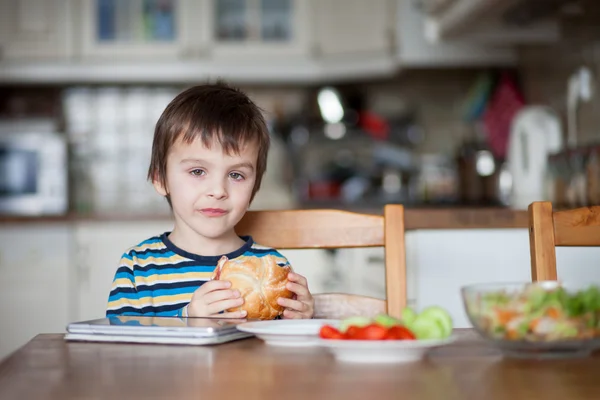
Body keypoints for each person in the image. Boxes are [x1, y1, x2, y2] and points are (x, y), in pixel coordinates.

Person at [106, 82, 314, 320]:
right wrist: (186, 320)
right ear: (160, 178)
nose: (218, 191)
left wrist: (300, 322)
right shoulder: (139, 267)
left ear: (254, 187)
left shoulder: (273, 268)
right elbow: (120, 345)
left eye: (236, 175)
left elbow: (280, 351)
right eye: (197, 171)